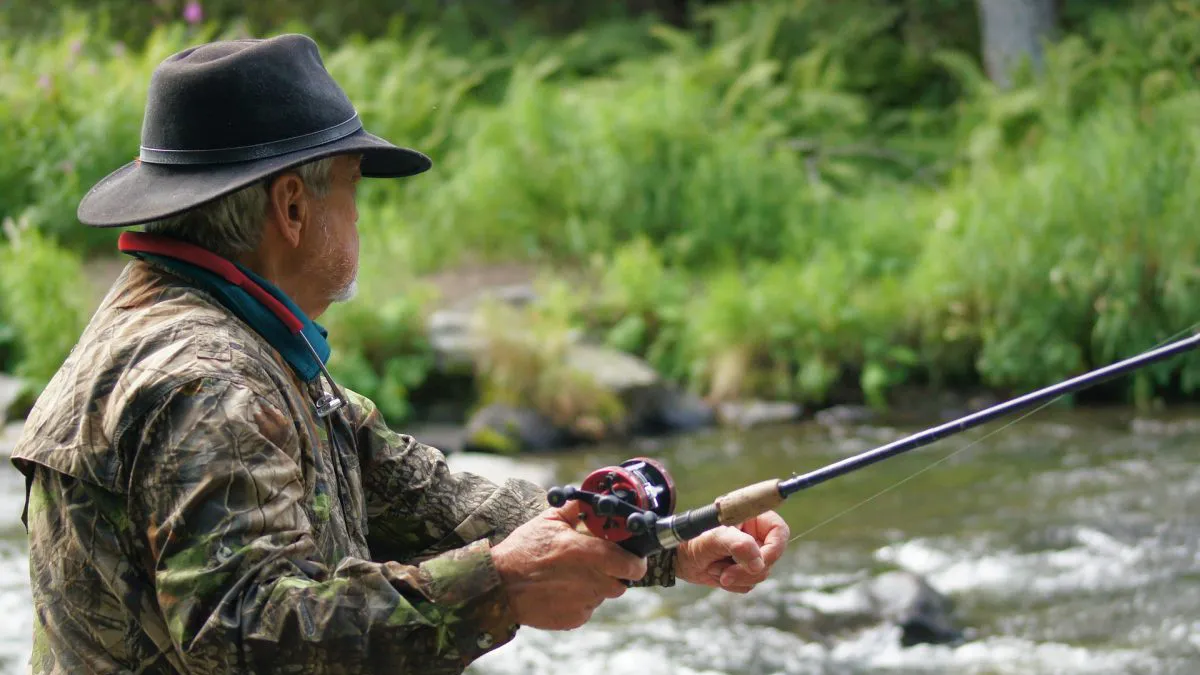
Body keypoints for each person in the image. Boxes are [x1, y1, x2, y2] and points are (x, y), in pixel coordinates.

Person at [9, 33, 790, 674]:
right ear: (290, 206)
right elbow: (244, 633)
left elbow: (418, 491)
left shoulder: (211, 330)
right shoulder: (206, 378)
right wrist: (501, 584)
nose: (358, 218)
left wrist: (661, 543)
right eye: (352, 187)